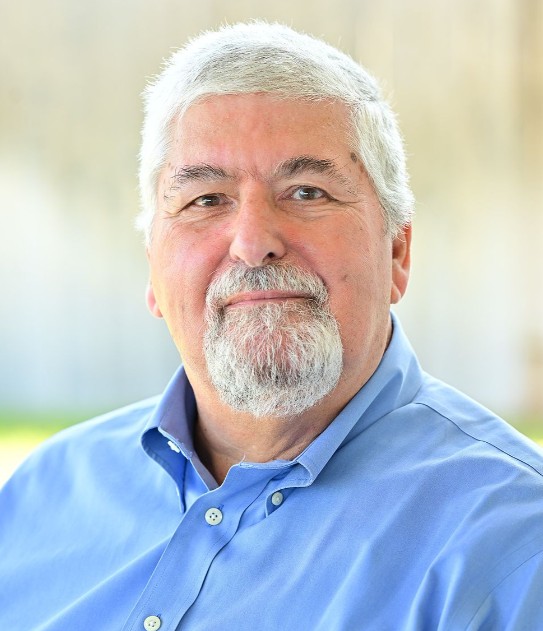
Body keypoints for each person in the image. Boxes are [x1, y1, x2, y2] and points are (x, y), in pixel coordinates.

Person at [1, 21, 543, 631]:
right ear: (152, 267)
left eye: (307, 192)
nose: (253, 242)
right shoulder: (40, 496)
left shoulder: (518, 546)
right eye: (206, 199)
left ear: (397, 252)